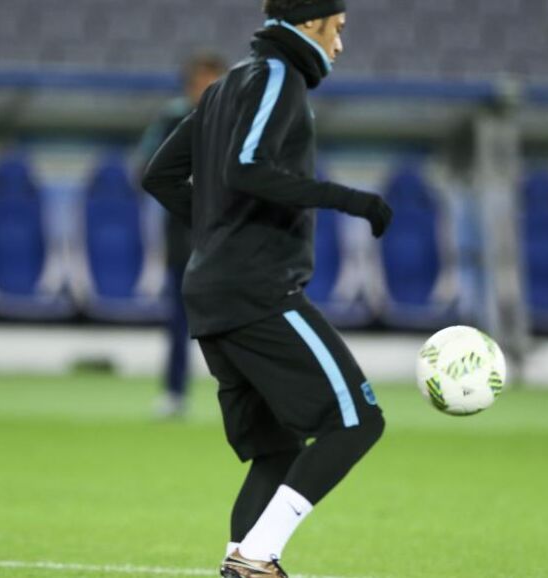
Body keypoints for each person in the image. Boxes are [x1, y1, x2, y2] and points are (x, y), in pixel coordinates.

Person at [142, 1, 393, 576]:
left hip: (211, 294)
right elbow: (248, 167)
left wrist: (217, 230)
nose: (340, 45)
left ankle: (241, 565)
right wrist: (350, 200)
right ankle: (258, 557)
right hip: (256, 291)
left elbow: (159, 175)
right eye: (337, 29)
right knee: (357, 420)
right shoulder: (280, 76)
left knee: (277, 451)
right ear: (310, 23)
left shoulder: (227, 85)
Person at [137, 53, 228, 419]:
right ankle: (175, 392)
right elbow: (146, 170)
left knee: (238, 320)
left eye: (212, 82)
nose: (205, 89)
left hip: (230, 238)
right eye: (200, 82)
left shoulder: (239, 117)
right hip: (184, 236)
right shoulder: (173, 119)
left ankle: (247, 395)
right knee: (179, 319)